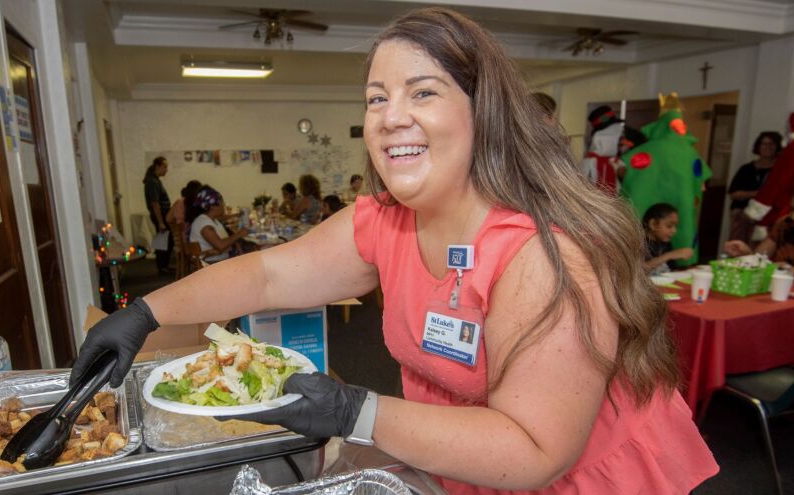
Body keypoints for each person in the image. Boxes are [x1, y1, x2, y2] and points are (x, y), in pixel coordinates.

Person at [73, 8, 717, 494]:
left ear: (483, 111)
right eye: (377, 98)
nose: (390, 116)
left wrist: (357, 410)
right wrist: (144, 314)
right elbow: (269, 274)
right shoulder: (385, 221)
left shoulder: (545, 258)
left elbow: (534, 451)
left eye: (423, 92)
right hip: (456, 460)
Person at [727, 131, 783, 242]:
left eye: (771, 144)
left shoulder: (781, 170)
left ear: (777, 146)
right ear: (758, 146)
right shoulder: (746, 169)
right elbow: (734, 194)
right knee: (737, 248)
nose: (767, 147)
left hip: (768, 218)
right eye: (763, 144)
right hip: (742, 215)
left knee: (760, 251)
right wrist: (758, 194)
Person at [187, 187, 249, 265]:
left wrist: (237, 215)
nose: (223, 205)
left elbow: (222, 218)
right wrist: (239, 234)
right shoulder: (205, 225)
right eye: (221, 202)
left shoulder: (208, 218)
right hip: (212, 263)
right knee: (251, 253)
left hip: (216, 258)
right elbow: (220, 246)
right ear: (212, 206)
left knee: (247, 249)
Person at [724, 208, 794, 267]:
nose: (791, 215)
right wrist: (747, 254)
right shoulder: (784, 223)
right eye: (792, 209)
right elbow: (759, 258)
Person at [642, 203, 694, 275]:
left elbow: (671, 270)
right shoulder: (639, 243)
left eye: (675, 226)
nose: (674, 230)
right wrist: (669, 255)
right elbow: (639, 269)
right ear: (653, 224)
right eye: (669, 226)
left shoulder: (665, 242)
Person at [143, 156, 173, 274]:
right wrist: (160, 222)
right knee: (164, 241)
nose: (166, 170)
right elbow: (155, 203)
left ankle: (163, 265)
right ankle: (162, 266)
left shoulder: (154, 180)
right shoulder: (152, 182)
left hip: (163, 215)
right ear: (157, 166)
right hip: (161, 215)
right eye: (164, 167)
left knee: (166, 241)